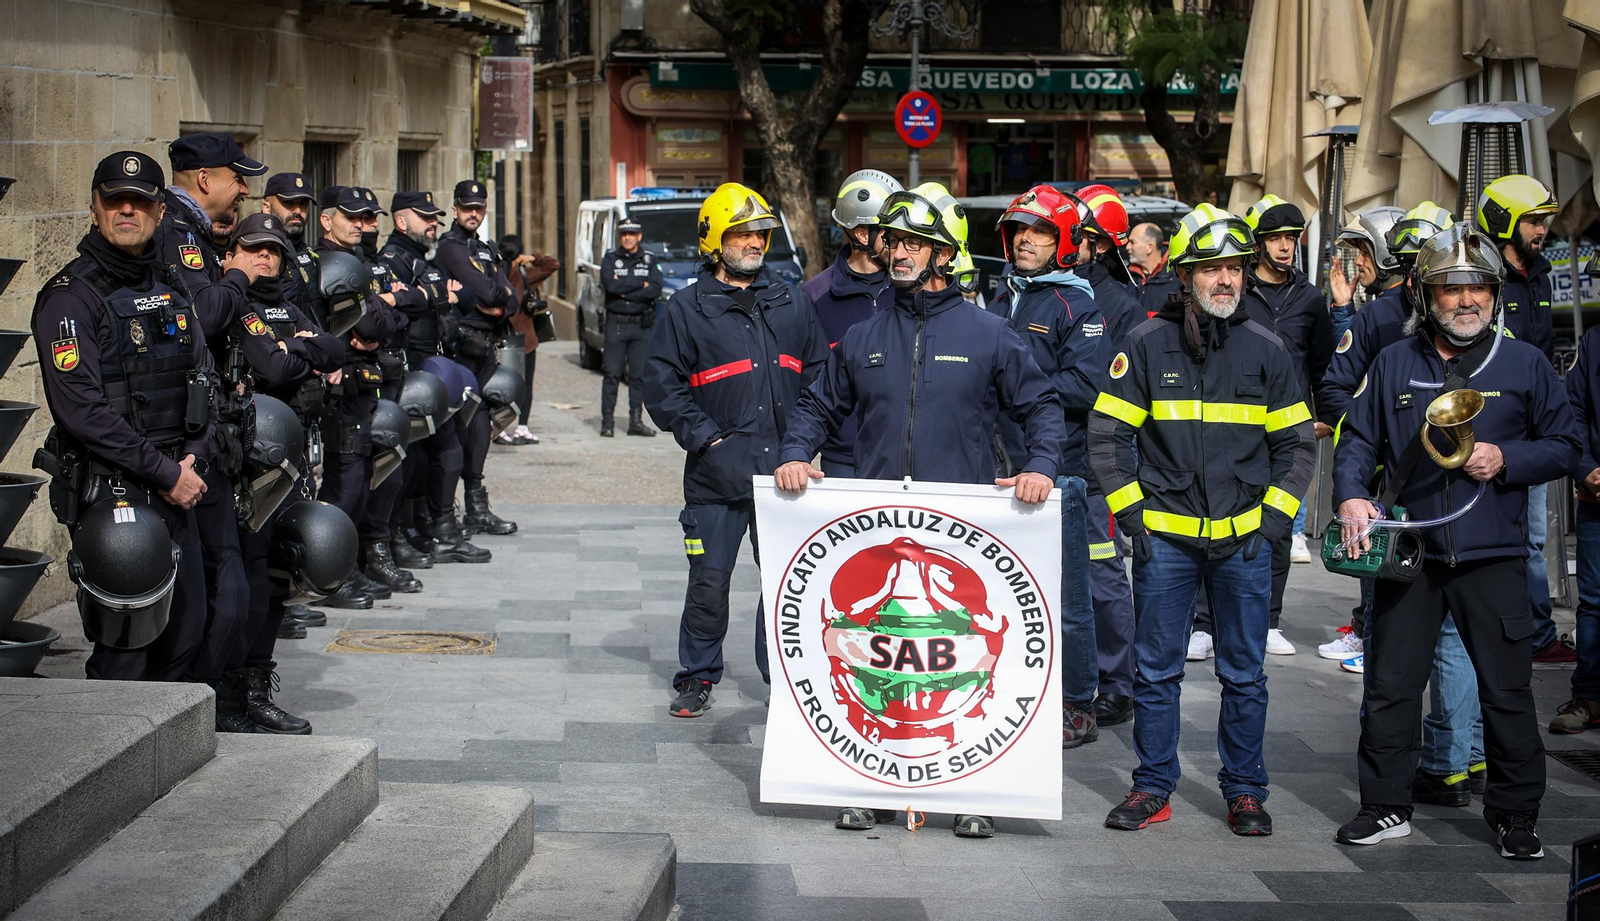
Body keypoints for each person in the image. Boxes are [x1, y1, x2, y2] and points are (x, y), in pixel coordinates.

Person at [775, 182, 1067, 840]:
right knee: (884, 663)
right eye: (893, 241)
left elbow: (1042, 406)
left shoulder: (988, 333)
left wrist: (1042, 466)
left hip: (964, 539)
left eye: (914, 243)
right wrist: (796, 453)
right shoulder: (863, 336)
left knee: (956, 659)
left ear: (943, 254)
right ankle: (869, 788)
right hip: (881, 534)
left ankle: (971, 793)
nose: (899, 252)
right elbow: (818, 405)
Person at [1332, 222, 1576, 859]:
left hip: (1492, 554)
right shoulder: (1393, 361)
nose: (1468, 301)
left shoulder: (1524, 363)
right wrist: (1352, 494)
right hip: (1410, 553)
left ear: (1495, 294)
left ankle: (1516, 815)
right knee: (1390, 686)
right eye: (1452, 289)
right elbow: (1357, 439)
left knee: (1507, 691)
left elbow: (1566, 445)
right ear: (1424, 293)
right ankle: (1384, 806)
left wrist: (1509, 458)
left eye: (1479, 289)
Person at [1090, 204, 1316, 836]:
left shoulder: (1267, 348)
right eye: (1212, 268)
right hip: (1166, 542)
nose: (1227, 279)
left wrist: (1273, 522)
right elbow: (1107, 436)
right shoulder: (1144, 344)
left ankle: (1245, 791)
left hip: (1246, 543)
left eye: (1235, 268)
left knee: (1244, 675)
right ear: (1185, 276)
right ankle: (1152, 786)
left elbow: (1298, 446)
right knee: (1155, 673)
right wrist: (1133, 515)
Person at [643, 182, 829, 721]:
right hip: (716, 477)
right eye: (741, 233)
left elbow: (820, 377)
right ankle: (697, 675)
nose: (754, 243)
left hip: (784, 476)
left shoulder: (791, 301)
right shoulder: (685, 309)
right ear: (714, 240)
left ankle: (784, 681)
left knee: (785, 586)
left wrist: (803, 445)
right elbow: (662, 388)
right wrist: (709, 439)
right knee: (709, 582)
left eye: (761, 234)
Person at [31, 150, 212, 681]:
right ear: (95, 209)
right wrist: (165, 473)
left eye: (140, 201)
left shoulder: (170, 282)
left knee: (186, 634)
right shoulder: (70, 298)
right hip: (116, 491)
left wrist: (193, 459)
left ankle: (169, 739)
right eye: (114, 201)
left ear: (161, 211)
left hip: (179, 482)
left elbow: (203, 376)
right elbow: (81, 410)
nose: (127, 210)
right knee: (126, 651)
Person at [985, 183, 1107, 747]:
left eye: (1039, 232)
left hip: (1061, 472)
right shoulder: (1005, 295)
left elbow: (1087, 384)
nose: (1025, 241)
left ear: (1063, 243)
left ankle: (1079, 704)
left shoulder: (1077, 304)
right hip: (1002, 470)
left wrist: (1018, 388)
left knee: (1068, 598)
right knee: (1008, 596)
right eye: (1019, 231)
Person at [1315, 200, 1453, 667]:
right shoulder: (1376, 317)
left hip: (1457, 485)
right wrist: (1372, 438)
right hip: (1390, 478)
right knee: (1384, 571)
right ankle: (1374, 643)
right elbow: (1335, 390)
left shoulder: (1478, 322)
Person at [221, 212, 344, 734]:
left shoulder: (288, 306)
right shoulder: (237, 304)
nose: (265, 257)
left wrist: (294, 345)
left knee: (277, 574)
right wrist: (301, 349)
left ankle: (256, 688)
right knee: (248, 578)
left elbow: (334, 348)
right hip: (253, 464)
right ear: (232, 254)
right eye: (254, 248)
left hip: (291, 459)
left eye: (273, 250)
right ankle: (230, 694)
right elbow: (270, 367)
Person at [156, 134, 269, 690]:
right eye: (237, 177)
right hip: (190, 434)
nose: (244, 189)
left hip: (210, 426)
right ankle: (209, 699)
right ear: (205, 179)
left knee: (228, 577)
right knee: (221, 581)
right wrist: (241, 274)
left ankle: (217, 694)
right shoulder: (177, 233)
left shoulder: (194, 231)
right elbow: (203, 312)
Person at [1478, 175, 1573, 668]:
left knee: (1532, 539)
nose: (1541, 230)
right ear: (1504, 221)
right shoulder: (1485, 278)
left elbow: (1545, 353)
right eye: (1533, 220)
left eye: (1543, 221)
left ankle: (1534, 634)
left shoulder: (1540, 276)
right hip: (1489, 431)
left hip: (1532, 435)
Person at [1062, 185, 1141, 726]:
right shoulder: (1045, 291)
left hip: (1095, 466)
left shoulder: (1120, 308)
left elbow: (1113, 393)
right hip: (1041, 460)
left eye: (1081, 237)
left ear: (1103, 245)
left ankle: (1118, 682)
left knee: (1100, 574)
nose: (1071, 243)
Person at [1240, 195, 1332, 634]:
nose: (1284, 246)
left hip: (1289, 431)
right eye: (1276, 238)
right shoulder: (1237, 289)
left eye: (1291, 239)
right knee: (1220, 525)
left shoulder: (1310, 299)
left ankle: (1270, 624)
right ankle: (1205, 624)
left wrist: (1324, 417)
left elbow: (1324, 367)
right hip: (1236, 424)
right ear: (1259, 243)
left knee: (1277, 528)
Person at [312, 185, 405, 608]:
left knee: (369, 479)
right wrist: (376, 318)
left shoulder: (361, 262)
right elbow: (369, 325)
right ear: (327, 220)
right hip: (340, 390)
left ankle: (350, 565)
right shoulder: (325, 263)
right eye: (351, 217)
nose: (360, 225)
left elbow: (389, 323)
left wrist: (381, 314)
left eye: (365, 217)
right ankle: (331, 575)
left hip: (366, 384)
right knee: (344, 486)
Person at [801, 169, 901, 477]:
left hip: (903, 458)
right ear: (861, 234)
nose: (901, 241)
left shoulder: (911, 287)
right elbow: (807, 385)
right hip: (843, 461)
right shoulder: (814, 297)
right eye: (891, 232)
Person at [435, 179, 519, 539]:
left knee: (481, 422)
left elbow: (511, 298)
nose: (473, 213)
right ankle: (445, 510)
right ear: (455, 209)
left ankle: (476, 506)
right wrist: (492, 296)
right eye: (467, 207)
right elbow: (488, 289)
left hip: (486, 344)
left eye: (479, 208)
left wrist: (494, 303)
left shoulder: (486, 249)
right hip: (461, 346)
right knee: (459, 427)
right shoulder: (450, 248)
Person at [1557, 295, 1600, 735]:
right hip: (1597, 499)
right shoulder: (1593, 343)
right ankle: (1589, 695)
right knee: (1594, 603)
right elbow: (1572, 412)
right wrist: (1585, 467)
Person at [598, 216, 662, 437]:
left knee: (638, 376)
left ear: (639, 236)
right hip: (616, 324)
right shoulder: (610, 258)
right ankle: (607, 422)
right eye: (624, 234)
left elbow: (655, 289)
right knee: (612, 374)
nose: (627, 238)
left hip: (641, 326)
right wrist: (639, 285)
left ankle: (635, 421)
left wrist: (626, 290)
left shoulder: (649, 259)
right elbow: (610, 285)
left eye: (632, 234)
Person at [502, 233, 559, 446]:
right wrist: (533, 258)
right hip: (524, 339)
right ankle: (522, 427)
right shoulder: (525, 274)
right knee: (525, 384)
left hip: (503, 337)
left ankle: (499, 427)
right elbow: (553, 264)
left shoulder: (494, 273)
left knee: (501, 384)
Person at [261, 171, 317, 312]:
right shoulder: (259, 253)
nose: (297, 211)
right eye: (289, 203)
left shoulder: (309, 253)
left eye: (303, 204)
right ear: (267, 207)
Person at [1131, 223, 1180, 315]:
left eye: (1133, 242)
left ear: (1150, 247)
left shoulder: (1178, 276)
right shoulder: (1127, 276)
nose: (1127, 247)